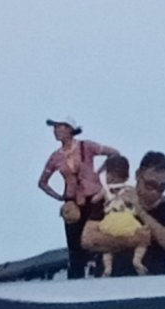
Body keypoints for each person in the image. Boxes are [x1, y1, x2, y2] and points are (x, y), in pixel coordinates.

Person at [85, 151, 165, 276]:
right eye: (150, 185)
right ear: (138, 175)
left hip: (150, 280)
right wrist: (130, 240)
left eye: (162, 187)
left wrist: (140, 211)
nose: (155, 192)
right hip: (110, 279)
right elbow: (87, 239)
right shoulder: (113, 199)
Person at [40, 118, 115, 280]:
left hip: (93, 198)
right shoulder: (56, 157)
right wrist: (60, 197)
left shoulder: (86, 146)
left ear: (70, 129)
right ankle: (76, 277)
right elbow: (42, 183)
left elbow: (113, 153)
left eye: (60, 127)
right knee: (74, 243)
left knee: (95, 238)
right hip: (72, 202)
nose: (56, 131)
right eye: (55, 128)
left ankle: (100, 272)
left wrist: (99, 173)